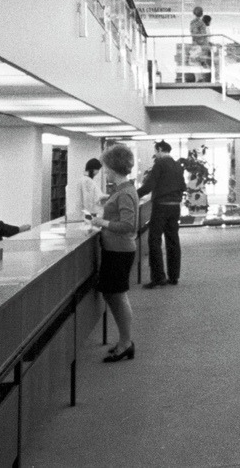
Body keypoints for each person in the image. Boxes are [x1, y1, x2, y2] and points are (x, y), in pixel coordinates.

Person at [90, 143, 139, 362]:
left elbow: (129, 225)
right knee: (113, 294)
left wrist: (102, 222)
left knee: (118, 296)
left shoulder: (125, 193)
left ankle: (126, 343)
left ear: (113, 167)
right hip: (115, 249)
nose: (105, 172)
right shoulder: (121, 191)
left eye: (107, 168)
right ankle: (124, 341)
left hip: (119, 250)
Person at [138, 140, 187, 288]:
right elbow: (183, 186)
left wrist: (134, 194)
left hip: (161, 207)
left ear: (159, 149)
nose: (155, 154)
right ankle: (174, 276)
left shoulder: (159, 164)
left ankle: (159, 277)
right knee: (173, 240)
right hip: (175, 207)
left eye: (155, 151)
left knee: (154, 240)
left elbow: (149, 185)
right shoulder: (177, 165)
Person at [65, 157, 104, 221]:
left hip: (80, 216)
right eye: (98, 170)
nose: (98, 172)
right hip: (84, 217)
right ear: (94, 169)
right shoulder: (87, 181)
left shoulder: (84, 180)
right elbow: (88, 201)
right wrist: (91, 217)